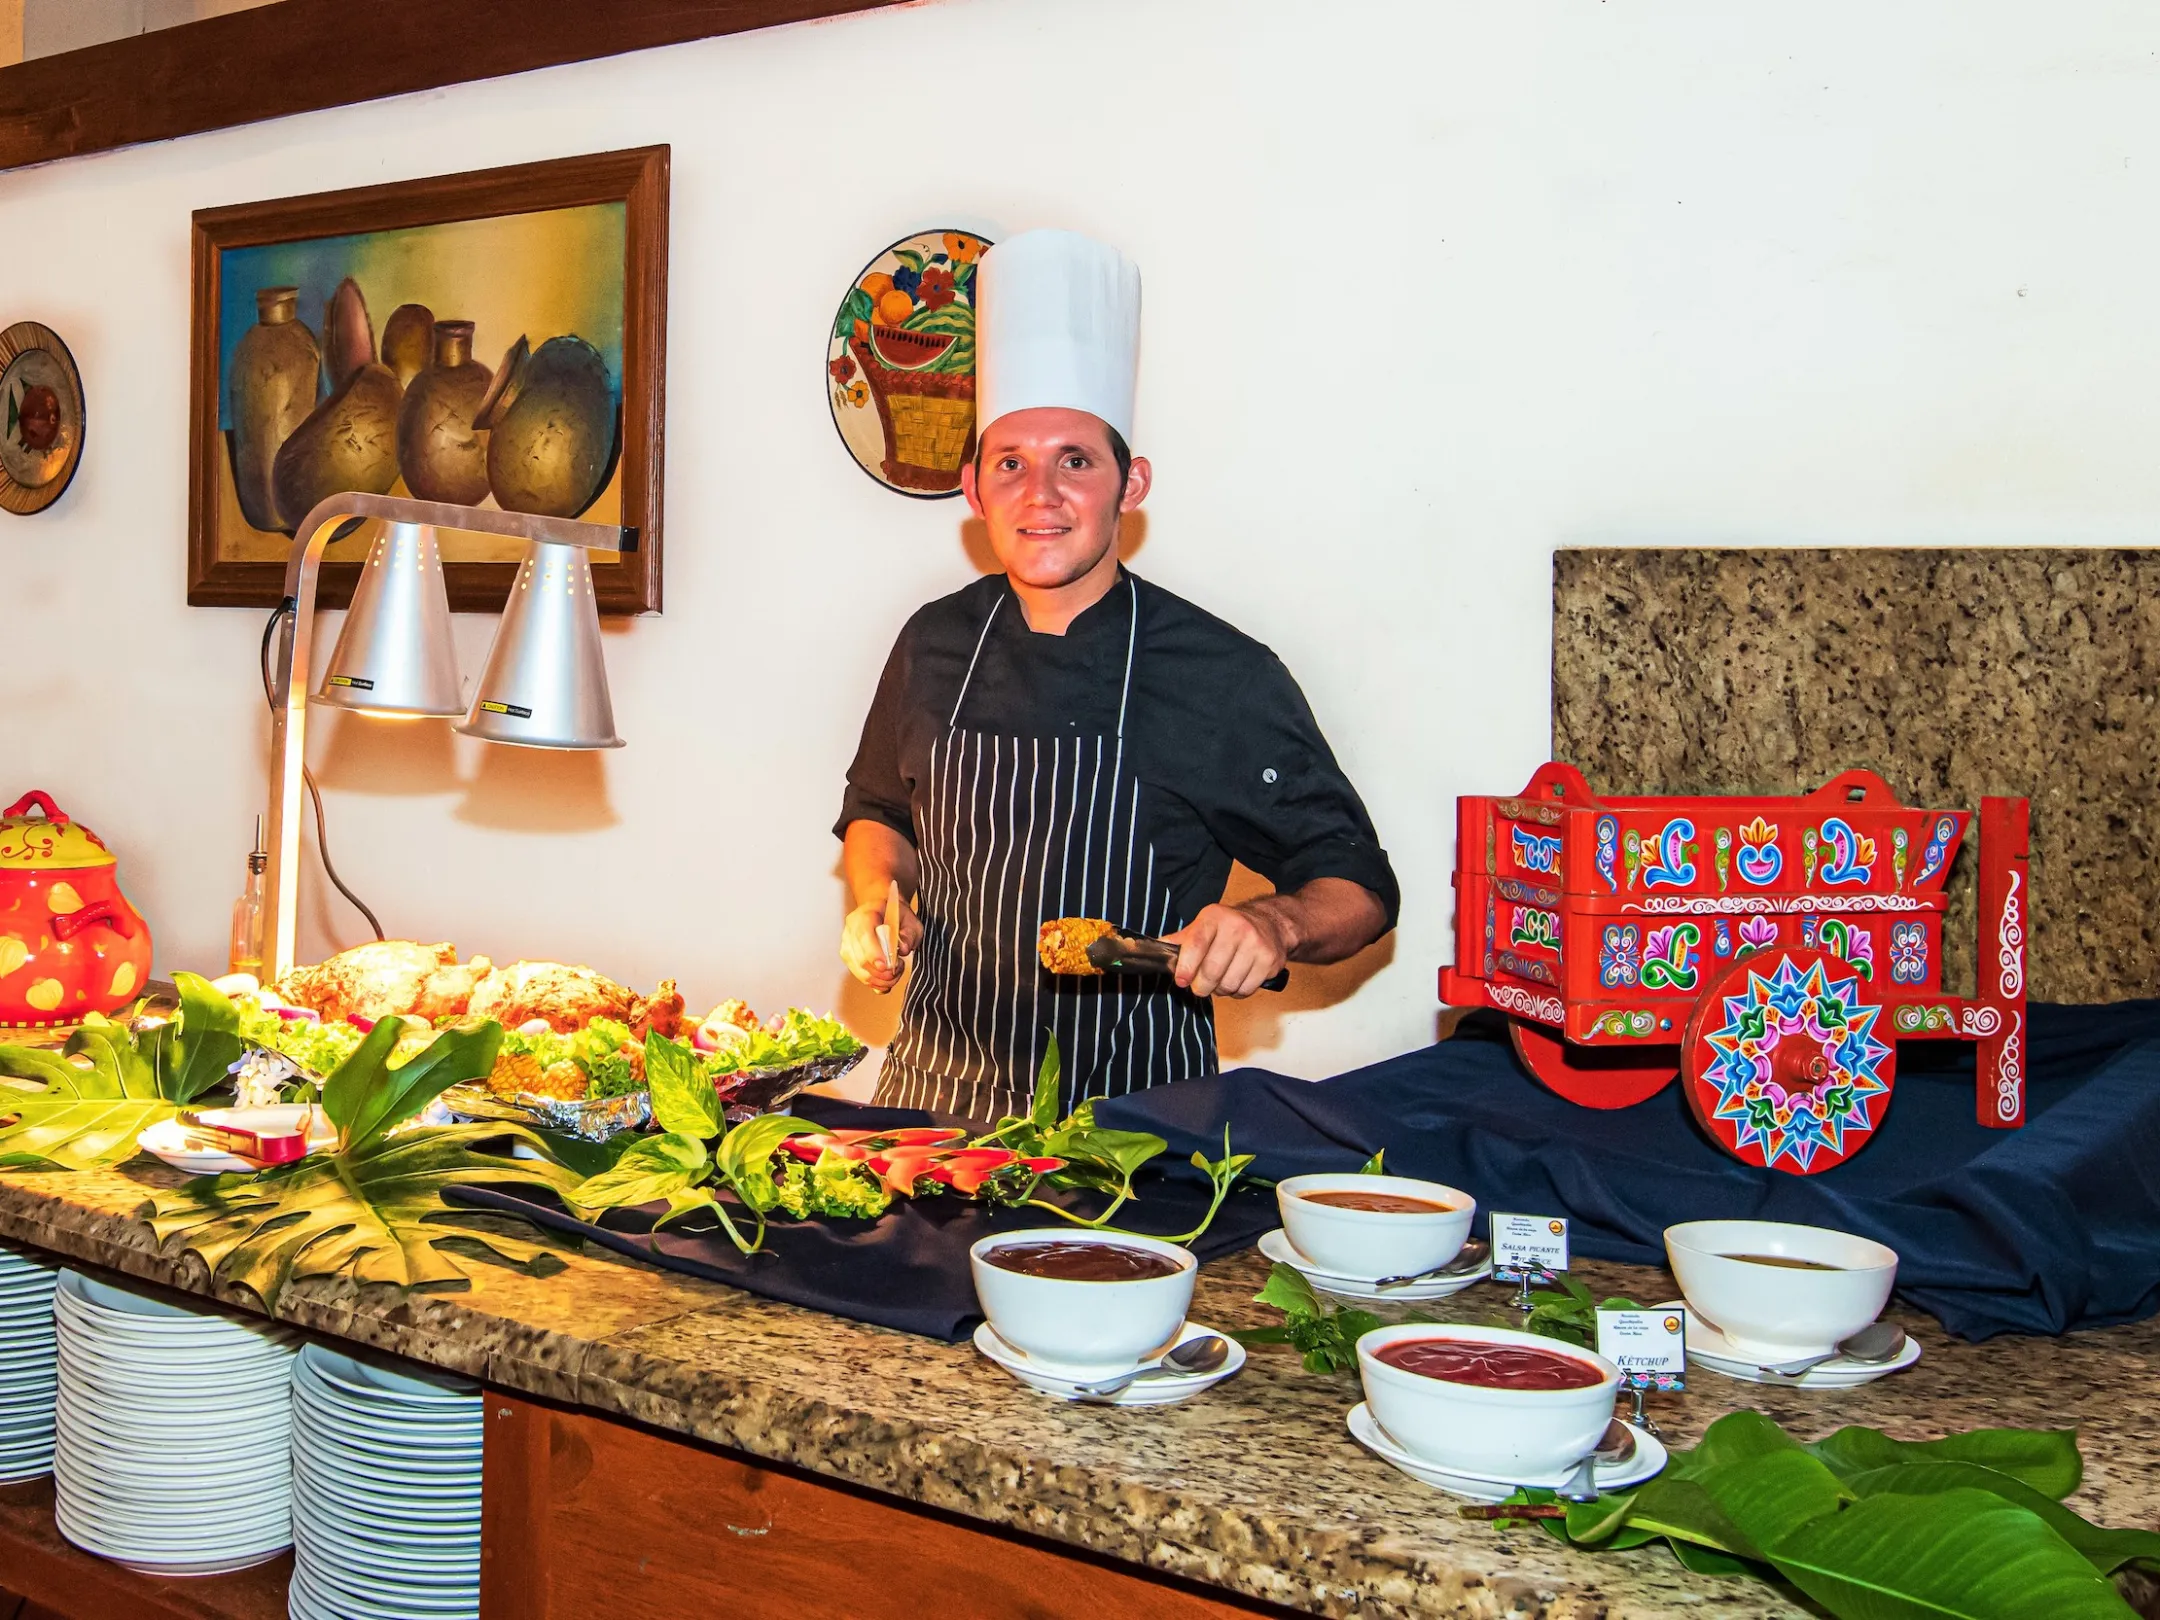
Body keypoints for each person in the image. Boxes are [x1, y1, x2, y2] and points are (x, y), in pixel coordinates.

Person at [836, 229, 1397, 1124]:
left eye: (1076, 462)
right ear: (975, 493)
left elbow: (1360, 888)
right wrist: (876, 895)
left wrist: (1273, 924)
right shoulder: (933, 642)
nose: (1041, 495)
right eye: (1010, 464)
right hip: (935, 1115)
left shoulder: (1220, 672)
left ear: (1129, 485)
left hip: (1140, 1130)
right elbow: (880, 814)